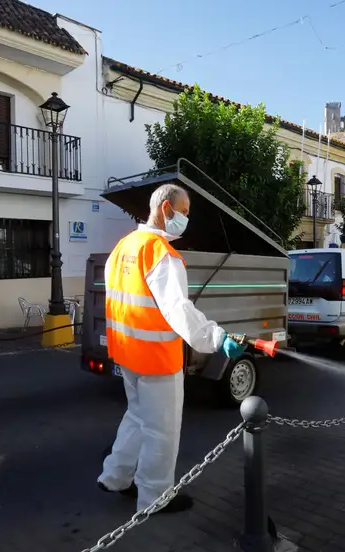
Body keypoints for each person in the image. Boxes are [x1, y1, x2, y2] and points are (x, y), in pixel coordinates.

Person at [98, 183, 245, 514]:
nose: (186, 218)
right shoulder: (162, 255)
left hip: (127, 354)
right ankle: (154, 498)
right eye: (184, 211)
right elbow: (179, 310)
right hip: (157, 360)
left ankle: (115, 475)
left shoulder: (123, 247)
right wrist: (216, 337)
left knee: (136, 417)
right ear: (166, 209)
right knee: (162, 432)